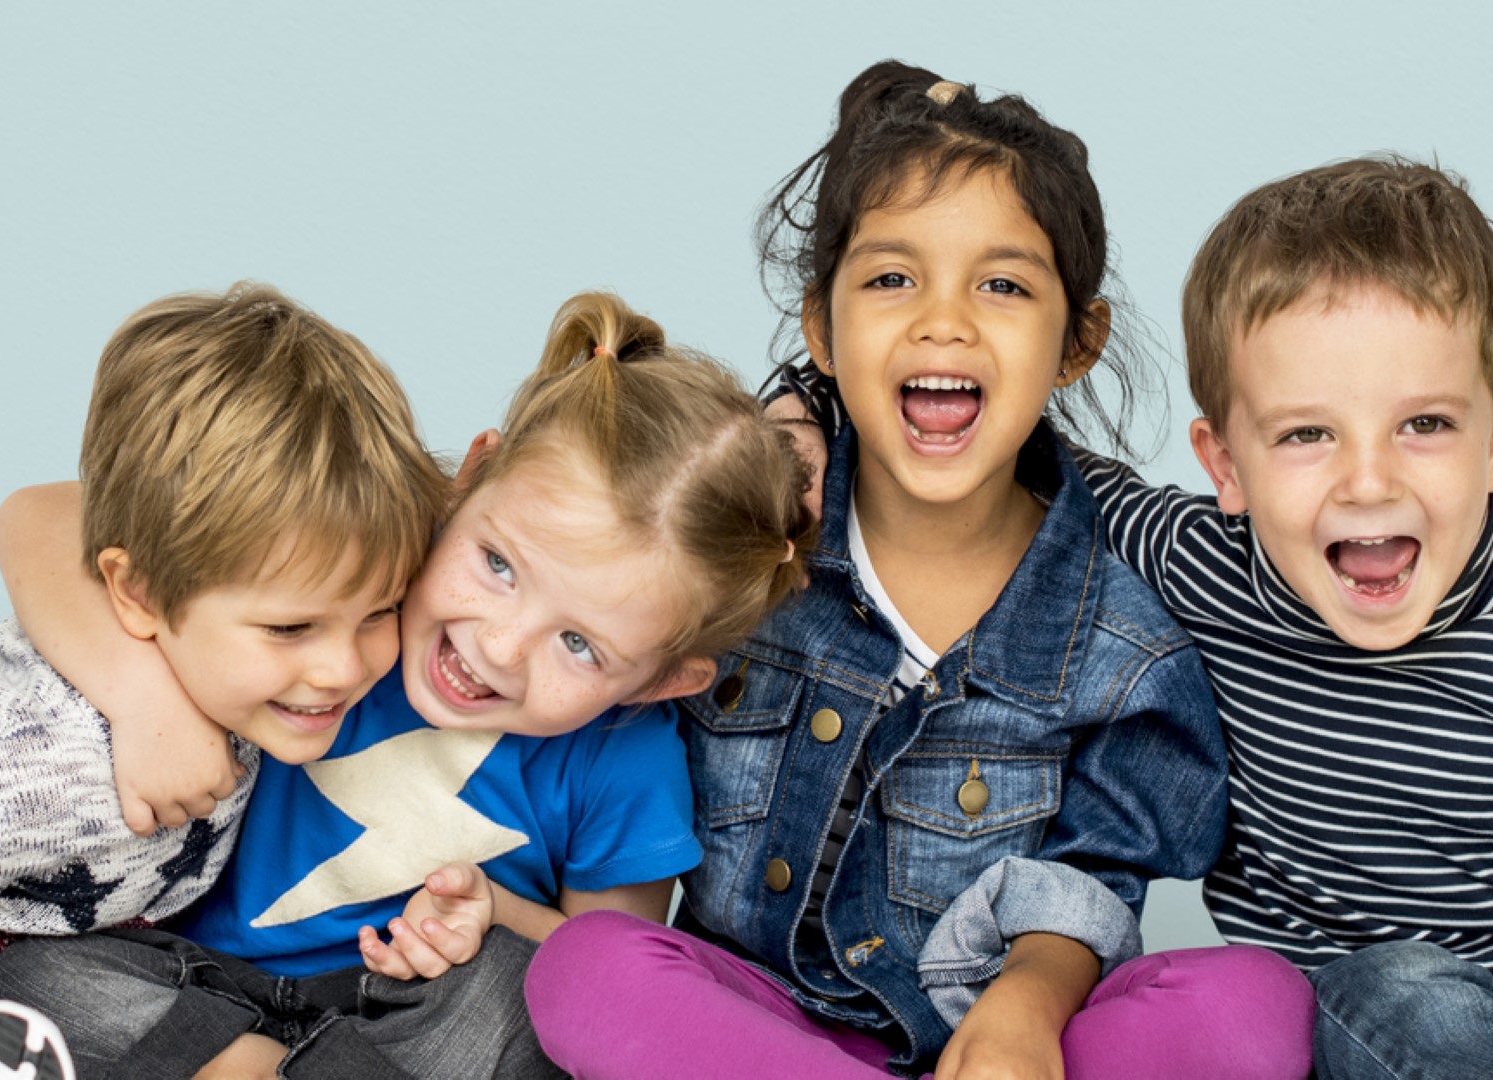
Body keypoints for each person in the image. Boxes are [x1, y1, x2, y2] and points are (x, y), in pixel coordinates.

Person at [524, 62, 1316, 1080]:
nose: (944, 321)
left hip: (1001, 1048)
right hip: (755, 1020)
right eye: (893, 278)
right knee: (588, 969)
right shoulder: (745, 547)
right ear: (823, 325)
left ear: (1078, 342)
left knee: (1250, 1004)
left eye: (1003, 284)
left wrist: (1027, 1010)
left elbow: (1091, 878)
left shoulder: (1119, 646)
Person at [780, 152, 1493, 1078]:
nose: (1369, 480)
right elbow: (995, 428)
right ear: (1224, 465)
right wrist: (804, 404)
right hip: (1281, 1034)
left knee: (1404, 991)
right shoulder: (1196, 564)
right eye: (1306, 434)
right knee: (1284, 996)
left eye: (1423, 424)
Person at [0, 292, 816, 1079]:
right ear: (466, 480)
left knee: (513, 1009)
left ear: (666, 679)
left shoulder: (626, 765)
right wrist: (146, 702)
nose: (498, 645)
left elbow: (608, 981)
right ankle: (242, 1063)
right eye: (497, 565)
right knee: (36, 975)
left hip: (406, 1019)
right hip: (194, 976)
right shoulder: (361, 552)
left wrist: (495, 911)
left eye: (578, 644)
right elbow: (39, 517)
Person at [0, 283, 446, 1049]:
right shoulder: (46, 767)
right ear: (139, 591)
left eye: (381, 610)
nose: (342, 669)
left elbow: (52, 509)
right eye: (290, 627)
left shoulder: (241, 667)